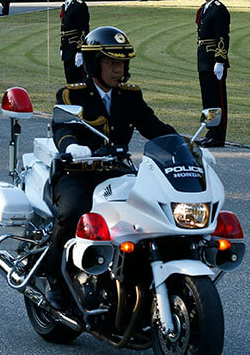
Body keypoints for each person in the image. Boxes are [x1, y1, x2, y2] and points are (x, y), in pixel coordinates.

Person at [44, 26, 177, 309]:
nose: (119, 69)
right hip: (78, 174)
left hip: (116, 173)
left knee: (150, 210)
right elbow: (63, 127)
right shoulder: (72, 95)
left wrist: (186, 146)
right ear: (94, 64)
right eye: (111, 62)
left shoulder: (130, 95)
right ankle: (54, 278)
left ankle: (135, 276)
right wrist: (71, 147)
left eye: (122, 62)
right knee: (72, 213)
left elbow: (155, 128)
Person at [196, 0, 230, 147]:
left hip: (214, 60)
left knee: (218, 99)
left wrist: (220, 60)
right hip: (203, 59)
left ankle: (219, 135)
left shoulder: (219, 10)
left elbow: (222, 37)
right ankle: (210, 130)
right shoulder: (204, 9)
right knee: (208, 98)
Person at [59, 0, 90, 84]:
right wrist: (62, 47)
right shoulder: (66, 4)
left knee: (78, 81)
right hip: (67, 47)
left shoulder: (79, 5)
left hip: (75, 48)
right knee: (69, 81)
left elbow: (83, 29)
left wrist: (80, 51)